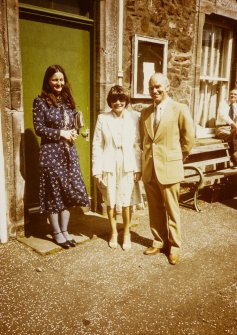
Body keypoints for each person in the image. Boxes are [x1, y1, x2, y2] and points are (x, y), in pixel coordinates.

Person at [140, 73, 195, 265]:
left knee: (172, 209)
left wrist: (178, 157)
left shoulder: (179, 109)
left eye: (158, 87)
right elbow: (145, 141)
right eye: (151, 87)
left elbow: (189, 139)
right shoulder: (145, 112)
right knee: (154, 209)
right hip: (150, 168)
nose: (154, 91)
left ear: (167, 87)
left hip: (170, 167)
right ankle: (158, 241)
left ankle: (175, 246)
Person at [33, 65, 90, 249]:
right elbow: (39, 129)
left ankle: (65, 230)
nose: (58, 83)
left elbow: (74, 124)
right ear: (48, 81)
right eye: (55, 80)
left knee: (67, 193)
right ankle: (56, 232)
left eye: (61, 79)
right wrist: (61, 133)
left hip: (68, 153)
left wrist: (75, 132)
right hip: (50, 154)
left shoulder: (67, 101)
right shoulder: (40, 101)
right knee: (53, 193)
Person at [92, 85, 141, 250]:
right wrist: (97, 170)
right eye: (114, 100)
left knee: (127, 200)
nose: (118, 103)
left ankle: (126, 232)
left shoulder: (135, 117)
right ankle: (113, 231)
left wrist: (138, 168)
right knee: (111, 200)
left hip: (128, 164)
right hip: (109, 163)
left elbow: (138, 145)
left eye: (121, 99)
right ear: (110, 102)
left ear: (126, 101)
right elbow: (97, 145)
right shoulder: (103, 118)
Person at [215, 88, 237, 164]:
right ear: (228, 94)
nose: (233, 95)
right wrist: (235, 126)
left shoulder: (235, 106)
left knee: (235, 134)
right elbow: (224, 116)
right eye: (231, 93)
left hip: (232, 130)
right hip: (222, 128)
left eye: (235, 94)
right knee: (235, 134)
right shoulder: (223, 104)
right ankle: (235, 155)